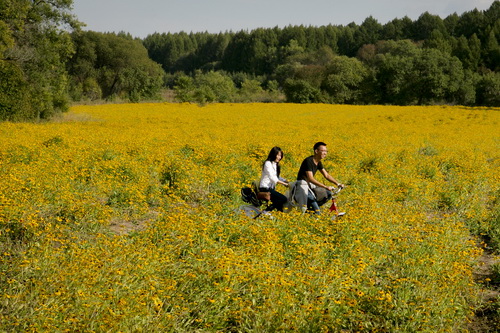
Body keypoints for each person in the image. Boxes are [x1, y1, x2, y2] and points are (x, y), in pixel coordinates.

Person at [295, 142, 344, 214]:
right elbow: (310, 178)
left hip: (309, 185)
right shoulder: (308, 161)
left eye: (326, 151)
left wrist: (337, 183)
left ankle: (311, 210)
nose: (325, 153)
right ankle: (314, 210)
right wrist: (325, 186)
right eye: (323, 151)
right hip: (302, 185)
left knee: (328, 194)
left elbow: (326, 175)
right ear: (316, 151)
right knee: (316, 209)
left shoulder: (318, 162)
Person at [259, 146, 289, 212]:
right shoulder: (268, 163)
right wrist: (284, 184)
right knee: (283, 199)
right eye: (278, 155)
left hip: (271, 188)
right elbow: (273, 178)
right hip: (265, 188)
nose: (279, 157)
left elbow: (277, 177)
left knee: (280, 206)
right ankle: (266, 211)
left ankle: (279, 216)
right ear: (273, 154)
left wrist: (286, 181)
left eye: (280, 156)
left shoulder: (275, 164)